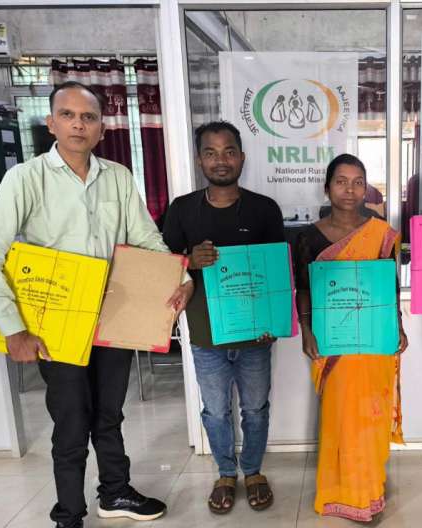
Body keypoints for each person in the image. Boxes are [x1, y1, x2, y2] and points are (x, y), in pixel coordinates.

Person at [0, 81, 193, 528]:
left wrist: (181, 280)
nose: (78, 125)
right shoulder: (25, 179)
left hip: (113, 316)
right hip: (56, 324)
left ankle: (115, 492)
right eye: (68, 115)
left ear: (102, 128)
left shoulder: (118, 177)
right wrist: (13, 328)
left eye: (88, 117)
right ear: (51, 124)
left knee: (109, 414)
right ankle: (69, 514)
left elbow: (145, 238)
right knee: (71, 422)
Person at [162, 121, 285, 515]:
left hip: (255, 335)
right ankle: (226, 473)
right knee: (215, 410)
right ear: (200, 160)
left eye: (229, 151)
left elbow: (276, 272)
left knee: (256, 408)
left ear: (242, 158)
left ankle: (253, 471)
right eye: (211, 152)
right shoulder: (182, 209)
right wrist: (188, 261)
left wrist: (275, 322)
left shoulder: (265, 209)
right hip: (206, 334)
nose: (221, 160)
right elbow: (162, 265)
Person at [293, 153, 408, 522]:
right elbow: (303, 288)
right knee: (340, 416)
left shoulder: (382, 234)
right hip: (334, 343)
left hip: (373, 341)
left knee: (370, 415)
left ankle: (369, 490)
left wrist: (398, 326)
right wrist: (306, 330)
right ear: (327, 187)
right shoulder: (309, 237)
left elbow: (389, 287)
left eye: (358, 182)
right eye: (341, 181)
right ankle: (341, 492)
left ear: (366, 188)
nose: (350, 189)